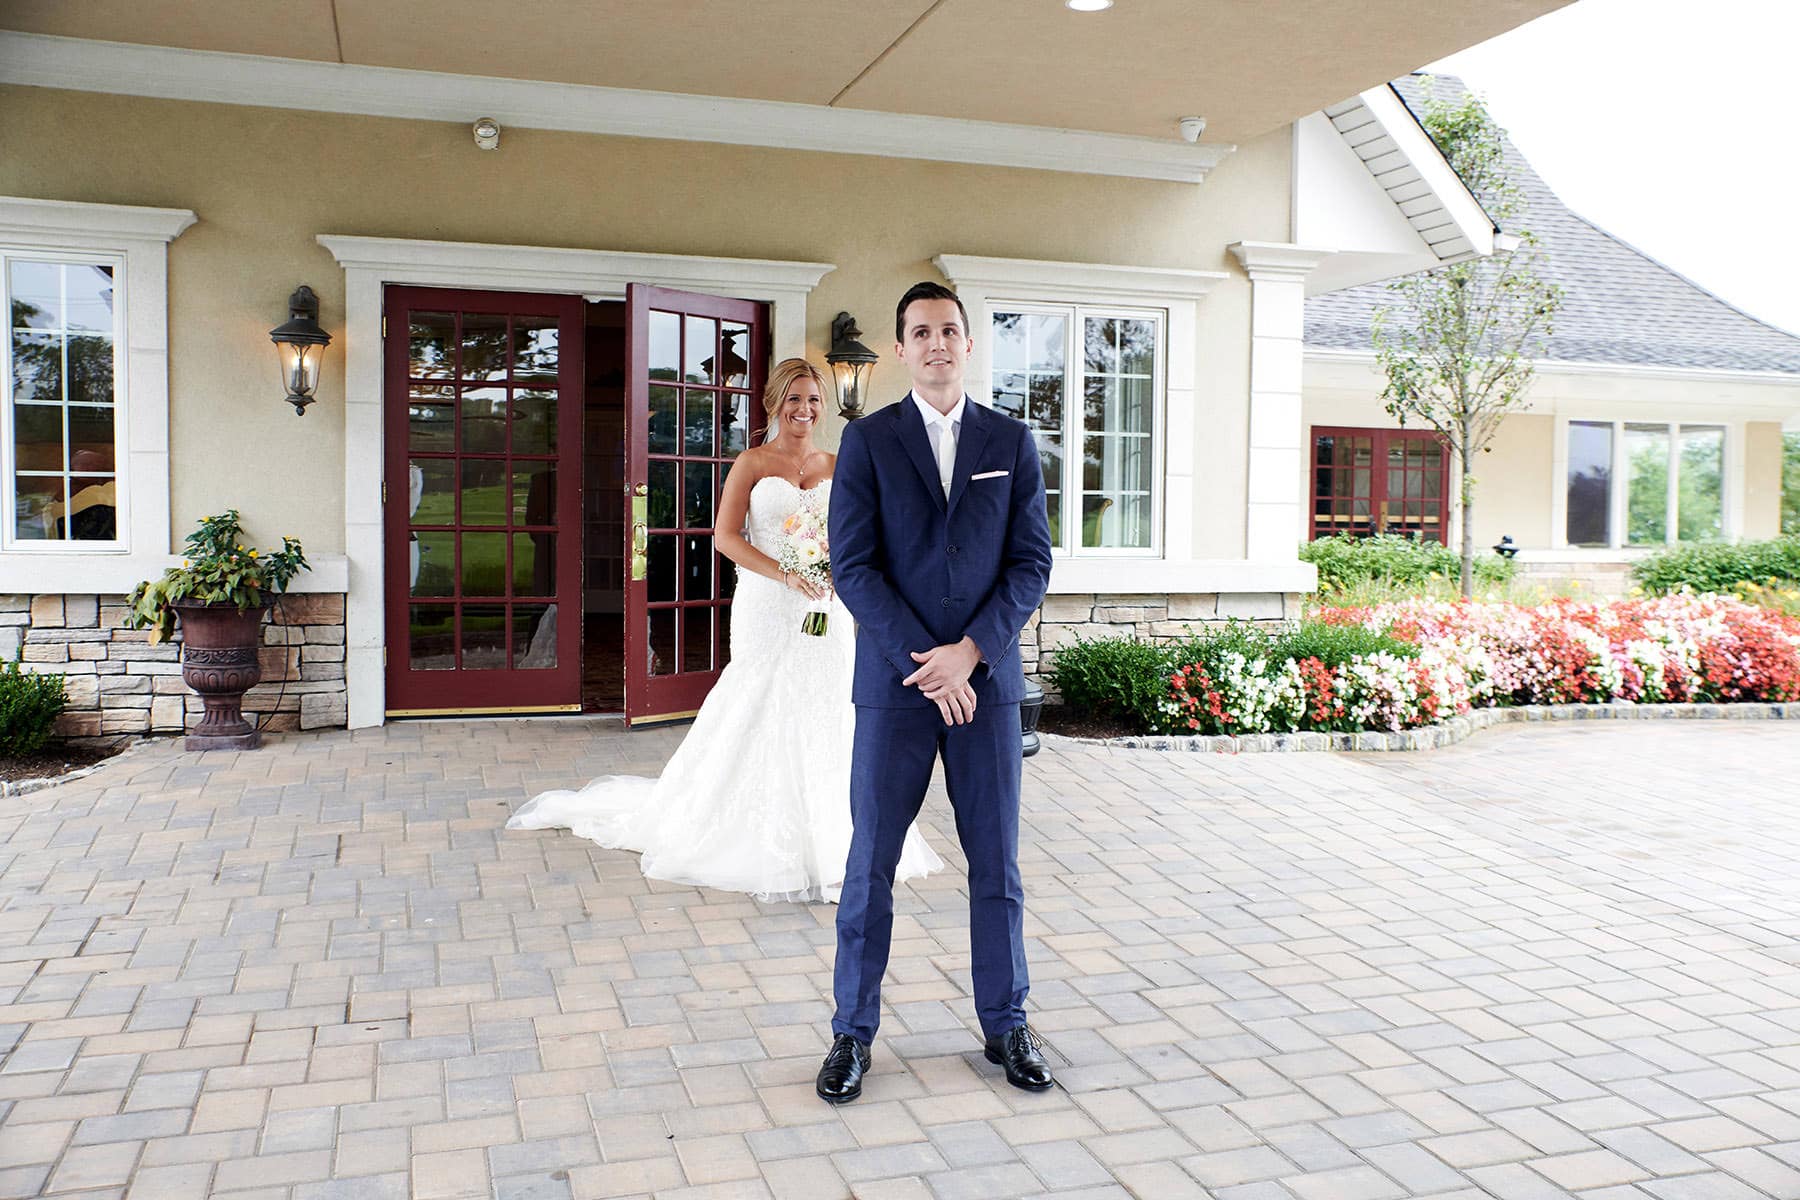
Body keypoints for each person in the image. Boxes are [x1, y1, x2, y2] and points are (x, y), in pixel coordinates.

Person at [507, 358, 943, 902]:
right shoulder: (752, 462)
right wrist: (785, 573)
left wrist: (833, 572)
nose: (805, 410)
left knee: (830, 706)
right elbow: (725, 537)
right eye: (794, 399)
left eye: (813, 400)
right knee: (760, 700)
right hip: (767, 602)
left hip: (826, 608)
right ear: (774, 403)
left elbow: (861, 534)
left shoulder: (840, 461)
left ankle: (837, 841)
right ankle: (750, 832)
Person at [816, 283, 1055, 1104]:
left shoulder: (1012, 442)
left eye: (950, 330)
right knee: (870, 863)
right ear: (902, 348)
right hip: (896, 686)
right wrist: (931, 661)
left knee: (997, 865)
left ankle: (1006, 1022)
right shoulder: (869, 443)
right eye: (921, 332)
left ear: (969, 343)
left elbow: (1031, 565)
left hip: (984, 689)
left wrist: (973, 654)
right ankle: (851, 1033)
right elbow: (854, 567)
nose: (938, 343)